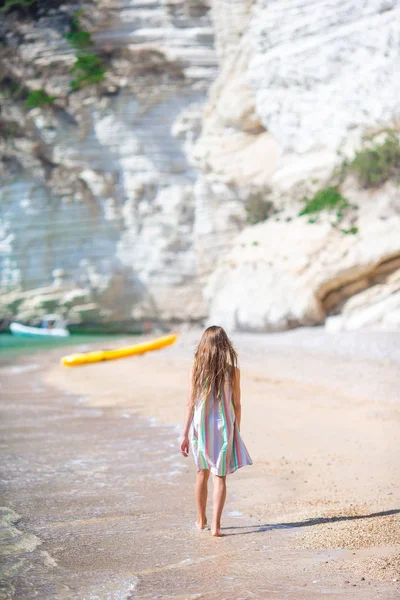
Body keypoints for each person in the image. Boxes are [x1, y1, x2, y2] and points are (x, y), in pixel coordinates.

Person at [180, 325, 252, 536]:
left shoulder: (196, 369)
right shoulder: (233, 371)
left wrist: (184, 434)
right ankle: (216, 526)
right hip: (223, 427)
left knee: (201, 472)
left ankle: (201, 520)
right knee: (219, 477)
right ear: (224, 346)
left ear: (204, 346)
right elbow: (237, 404)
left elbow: (190, 404)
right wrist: (235, 429)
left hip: (200, 427)